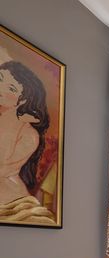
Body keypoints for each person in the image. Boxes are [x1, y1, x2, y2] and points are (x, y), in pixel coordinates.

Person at [0, 60, 54, 224]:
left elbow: (2, 167)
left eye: (11, 88)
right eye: (0, 79)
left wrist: (12, 118)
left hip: (13, 203)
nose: (0, 88)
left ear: (22, 100)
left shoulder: (30, 135)